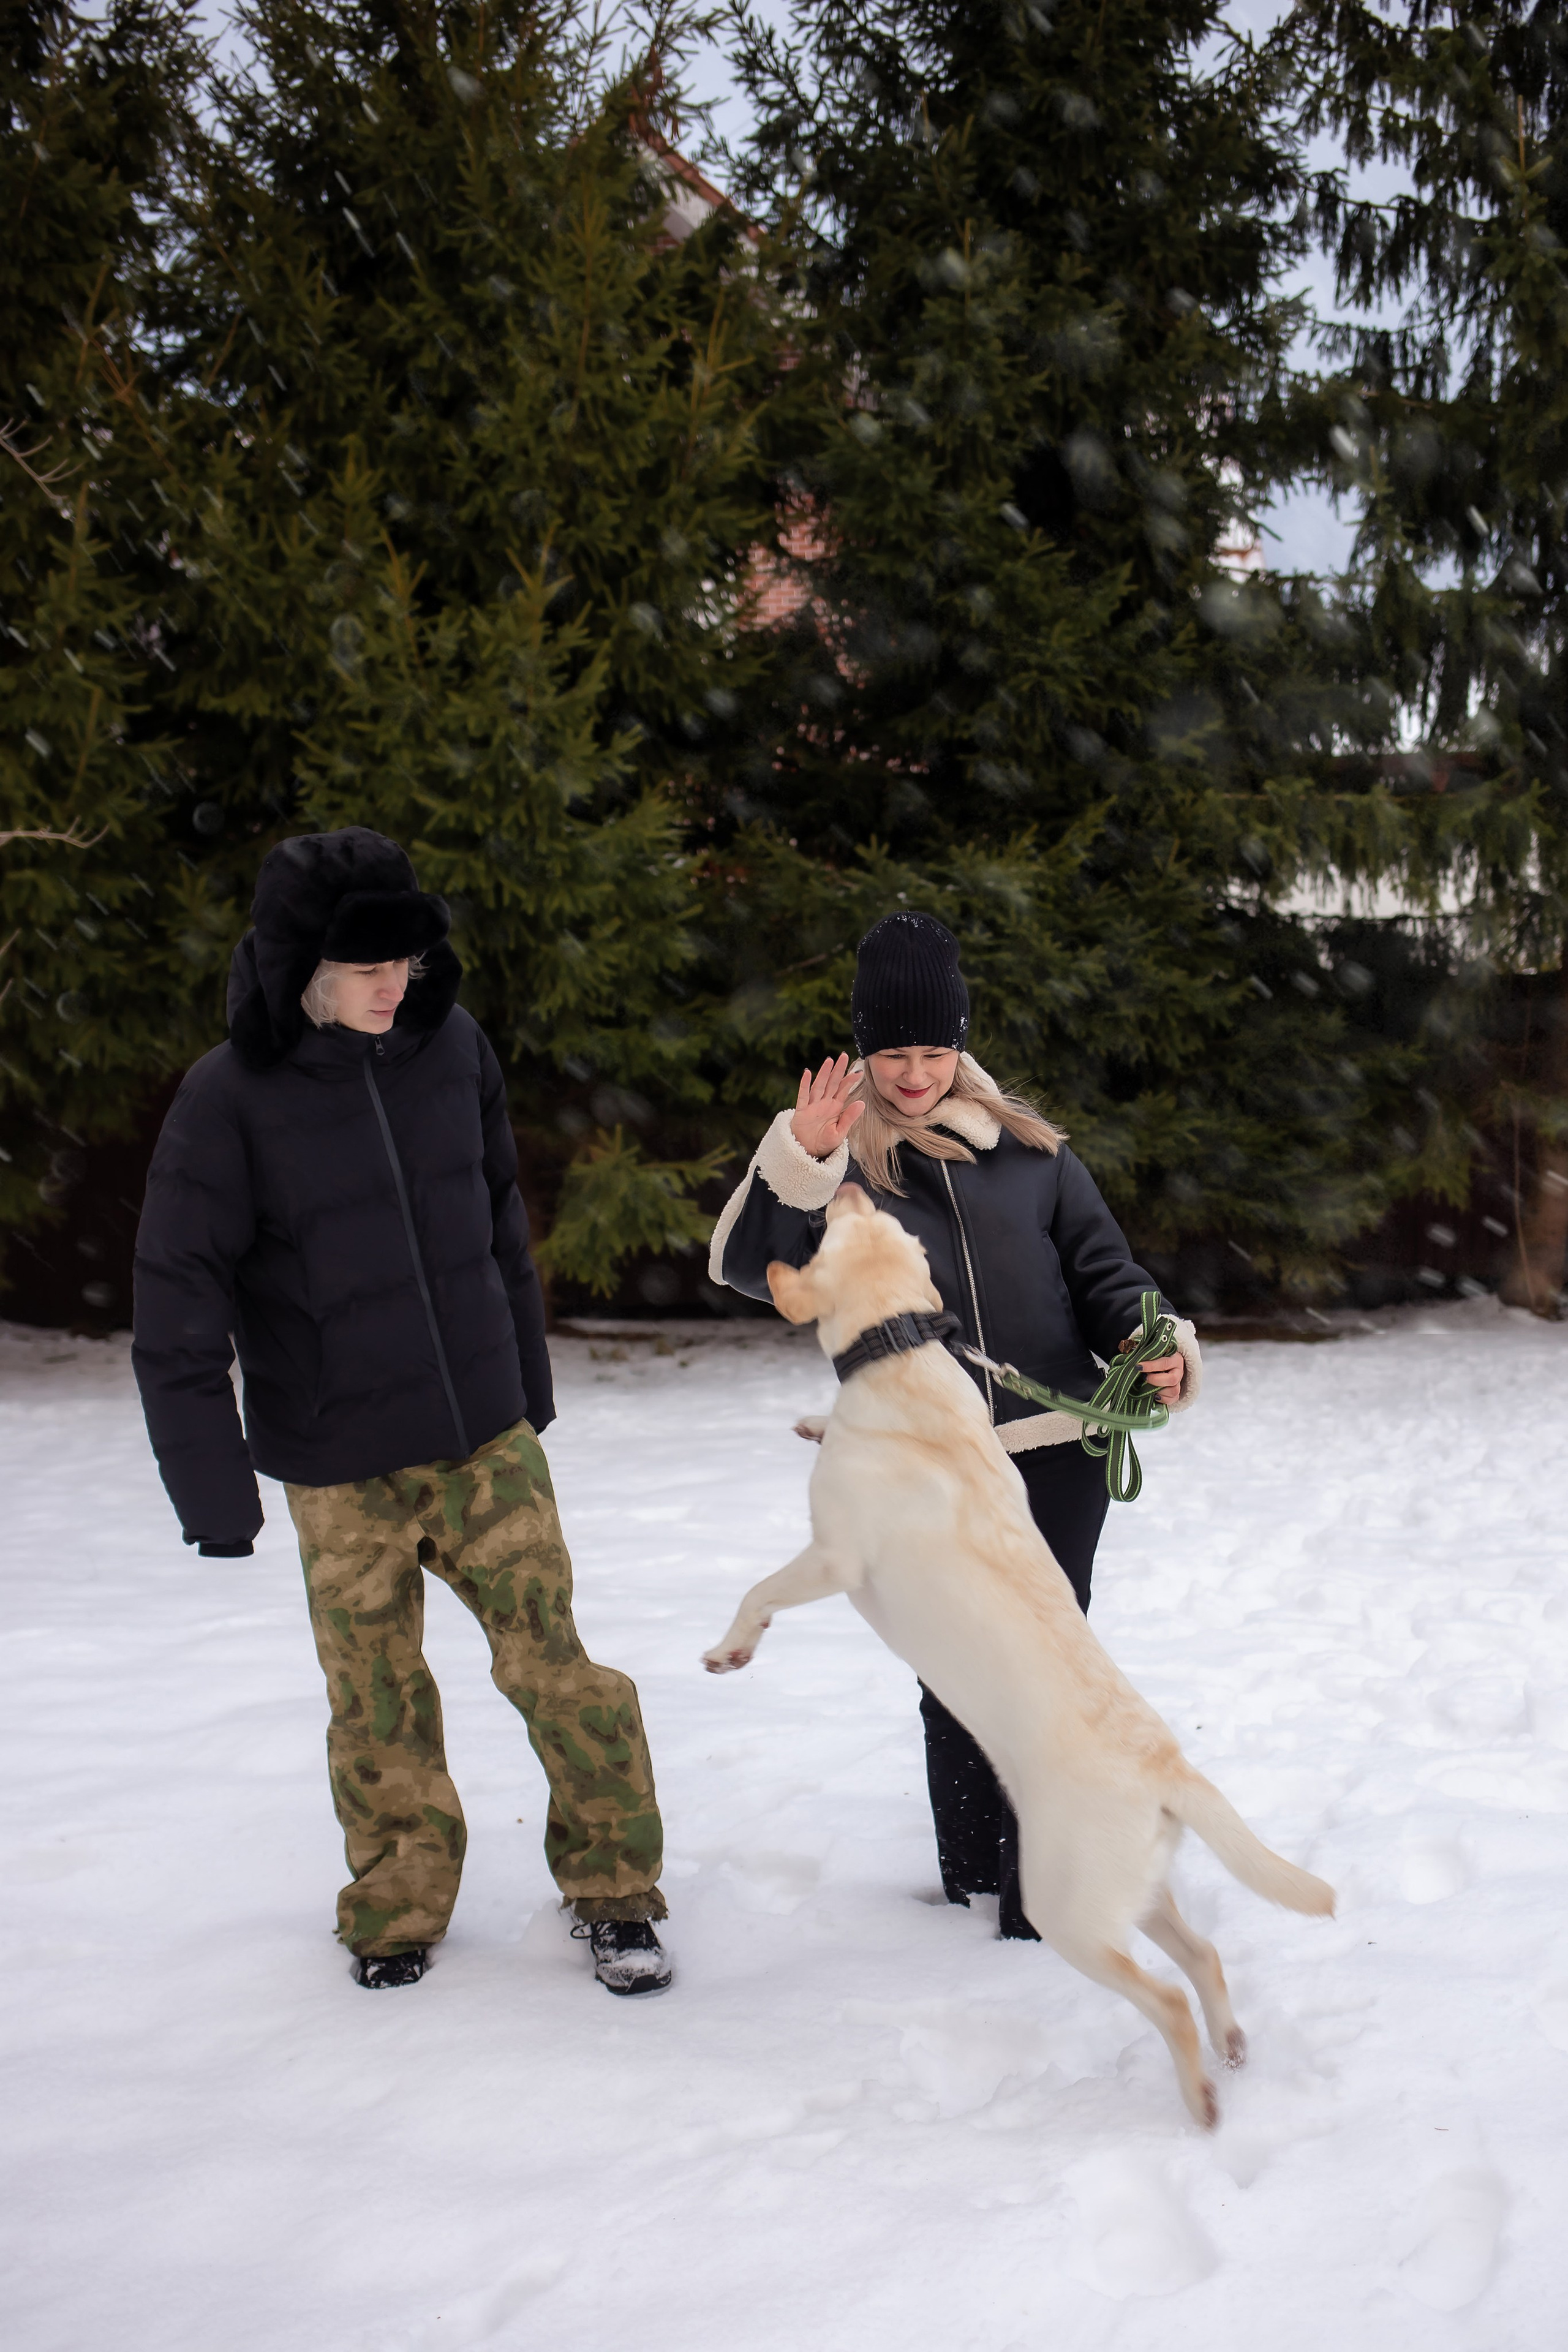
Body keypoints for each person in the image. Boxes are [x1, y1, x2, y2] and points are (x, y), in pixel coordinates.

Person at [132, 826, 671, 1994]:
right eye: (367, 967)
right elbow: (178, 1301)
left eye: (407, 962)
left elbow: (496, 1222)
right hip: (338, 1465)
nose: (394, 986)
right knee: (376, 1709)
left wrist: (524, 1390)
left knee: (561, 1675)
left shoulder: (453, 1047)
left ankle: (618, 1890)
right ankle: (396, 1909)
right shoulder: (228, 1101)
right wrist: (214, 1492)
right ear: (303, 969)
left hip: (485, 1442)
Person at [707, 909, 1201, 1939]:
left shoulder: (1032, 1154)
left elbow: (1108, 1276)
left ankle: (1039, 1898)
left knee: (1041, 1670)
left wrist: (1154, 1344)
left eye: (936, 1050)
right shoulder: (839, 1168)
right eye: (895, 1051)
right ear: (865, 1049)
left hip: (1051, 1458)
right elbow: (751, 1269)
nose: (917, 1072)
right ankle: (974, 1874)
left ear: (962, 1044)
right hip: (922, 1463)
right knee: (954, 1672)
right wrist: (799, 1156)